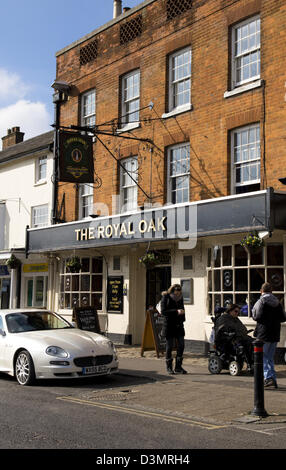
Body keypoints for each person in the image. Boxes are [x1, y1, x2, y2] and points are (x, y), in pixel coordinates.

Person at [252, 282, 286, 388]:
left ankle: (268, 378)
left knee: (263, 357)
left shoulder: (261, 301)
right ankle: (273, 379)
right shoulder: (277, 302)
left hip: (263, 333)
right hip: (275, 332)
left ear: (261, 291)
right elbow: (283, 317)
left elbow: (256, 316)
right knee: (270, 357)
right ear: (271, 291)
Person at [215, 304, 254, 368]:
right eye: (236, 311)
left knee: (252, 342)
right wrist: (232, 332)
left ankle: (252, 362)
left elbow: (242, 328)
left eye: (238, 312)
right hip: (228, 340)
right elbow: (222, 330)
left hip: (239, 337)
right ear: (230, 311)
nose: (237, 313)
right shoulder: (223, 319)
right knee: (245, 344)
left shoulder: (236, 319)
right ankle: (250, 363)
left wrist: (244, 331)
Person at [161, 284, 187, 375]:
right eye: (177, 290)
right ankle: (169, 367)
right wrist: (176, 312)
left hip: (179, 326)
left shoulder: (180, 298)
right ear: (173, 290)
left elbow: (182, 309)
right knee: (169, 346)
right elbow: (163, 311)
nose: (178, 292)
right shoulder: (166, 297)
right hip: (169, 325)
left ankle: (178, 367)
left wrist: (182, 316)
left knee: (181, 345)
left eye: (180, 291)